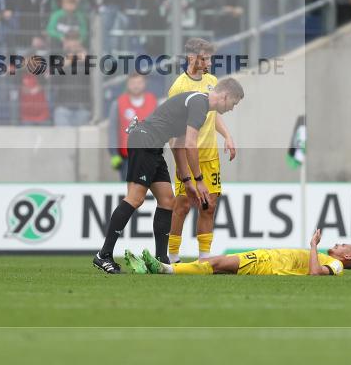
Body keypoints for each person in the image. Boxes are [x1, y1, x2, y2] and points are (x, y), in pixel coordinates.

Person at [93, 78, 245, 274]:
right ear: (225, 96)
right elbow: (191, 144)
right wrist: (199, 181)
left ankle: (161, 259)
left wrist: (187, 180)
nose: (232, 108)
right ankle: (103, 255)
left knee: (167, 200)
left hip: (153, 145)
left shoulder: (199, 104)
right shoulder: (200, 104)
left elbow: (178, 145)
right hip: (145, 140)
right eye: (234, 103)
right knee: (135, 198)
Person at [168, 38, 236, 263]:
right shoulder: (179, 86)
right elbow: (173, 129)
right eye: (204, 58)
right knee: (183, 205)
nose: (208, 62)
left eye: (210, 58)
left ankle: (204, 258)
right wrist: (180, 164)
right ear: (191, 58)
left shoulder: (212, 81)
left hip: (210, 157)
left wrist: (227, 136)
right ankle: (173, 256)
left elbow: (213, 115)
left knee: (209, 206)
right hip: (188, 157)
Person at [127, 228, 351, 277]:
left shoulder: (337, 266)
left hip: (268, 265)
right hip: (266, 257)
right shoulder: (332, 260)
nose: (339, 245)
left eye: (343, 246)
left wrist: (313, 246)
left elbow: (314, 274)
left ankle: (164, 268)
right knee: (216, 266)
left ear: (347, 257)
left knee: (215, 263)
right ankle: (152, 268)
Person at [108, 72, 159, 182]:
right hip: (127, 158)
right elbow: (112, 130)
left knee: (148, 190)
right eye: (133, 83)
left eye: (139, 82)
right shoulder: (118, 103)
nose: (136, 85)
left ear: (144, 84)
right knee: (129, 192)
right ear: (127, 84)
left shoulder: (154, 102)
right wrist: (114, 154)